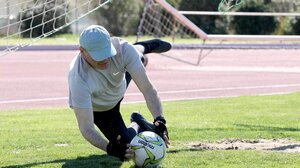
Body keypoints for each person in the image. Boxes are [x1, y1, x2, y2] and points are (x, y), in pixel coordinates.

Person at [68, 25, 171, 161]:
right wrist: (110, 148)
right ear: (82, 51)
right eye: (98, 55)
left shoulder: (123, 49)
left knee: (135, 55)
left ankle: (142, 48)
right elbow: (86, 127)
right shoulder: (78, 77)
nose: (105, 59)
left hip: (119, 84)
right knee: (128, 149)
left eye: (106, 52)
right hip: (102, 109)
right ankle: (138, 124)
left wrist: (160, 119)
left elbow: (147, 89)